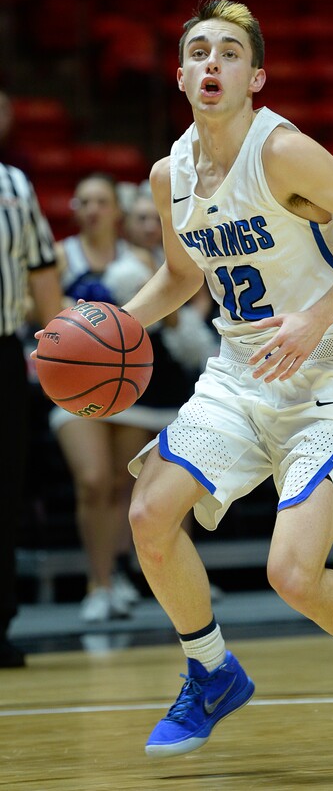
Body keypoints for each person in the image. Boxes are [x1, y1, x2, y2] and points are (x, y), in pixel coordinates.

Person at [117, 0, 333, 757]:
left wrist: (316, 314)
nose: (213, 63)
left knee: (292, 575)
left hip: (323, 382)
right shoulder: (168, 174)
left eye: (231, 53)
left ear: (257, 76)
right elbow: (183, 274)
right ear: (180, 75)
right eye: (199, 51)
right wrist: (115, 325)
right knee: (149, 516)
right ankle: (210, 671)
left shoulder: (283, 152)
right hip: (237, 377)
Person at [50, 172, 157, 622]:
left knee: (120, 484)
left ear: (117, 209)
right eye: (83, 201)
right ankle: (96, 584)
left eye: (100, 201)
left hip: (122, 381)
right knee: (93, 481)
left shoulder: (139, 259)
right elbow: (48, 316)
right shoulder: (60, 255)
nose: (92, 209)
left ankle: (115, 576)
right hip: (73, 382)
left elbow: (160, 326)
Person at [0, 161, 63, 665]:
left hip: (3, 350)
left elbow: (42, 270)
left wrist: (61, 353)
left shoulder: (15, 183)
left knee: (6, 489)